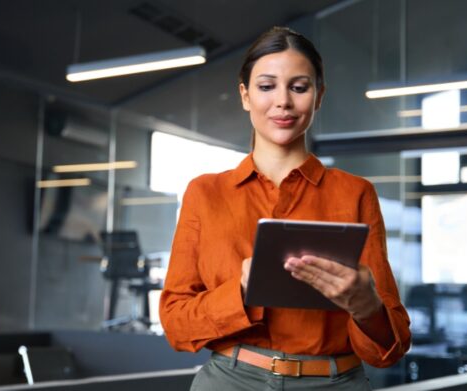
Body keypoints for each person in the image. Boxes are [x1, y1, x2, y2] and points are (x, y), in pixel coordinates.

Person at [159, 26, 411, 390]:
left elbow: (391, 348)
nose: (283, 102)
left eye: (299, 87)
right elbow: (175, 324)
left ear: (318, 96)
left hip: (335, 382)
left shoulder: (356, 193)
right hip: (230, 382)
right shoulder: (205, 192)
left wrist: (365, 305)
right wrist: (241, 292)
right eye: (266, 86)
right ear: (245, 95)